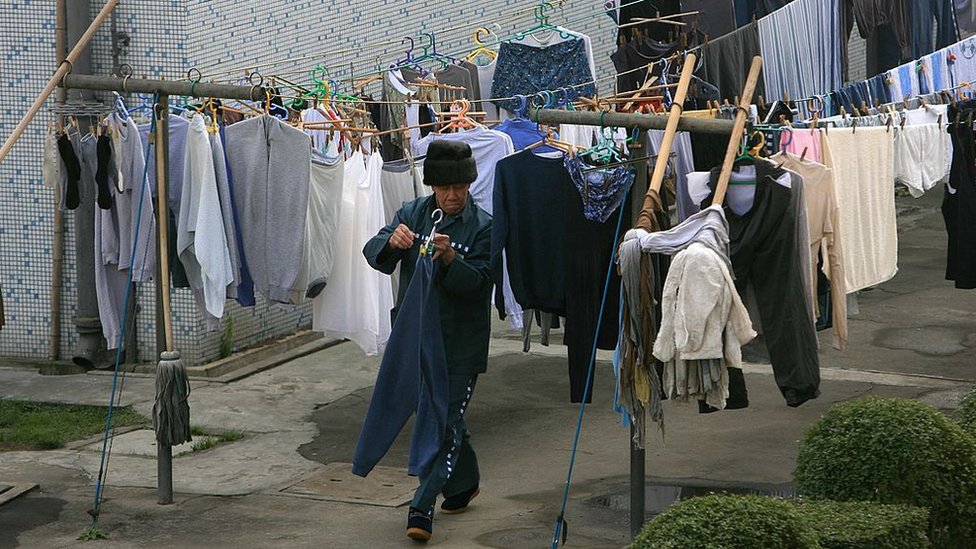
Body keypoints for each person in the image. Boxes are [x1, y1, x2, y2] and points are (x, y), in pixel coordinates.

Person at [362, 140, 492, 542]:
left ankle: (421, 506)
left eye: (460, 187)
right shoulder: (413, 214)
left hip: (460, 345)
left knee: (443, 421)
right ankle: (464, 480)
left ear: (470, 184)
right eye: (444, 188)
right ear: (431, 186)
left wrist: (453, 260)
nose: (452, 196)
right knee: (443, 419)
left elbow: (482, 284)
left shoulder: (484, 226)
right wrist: (391, 242)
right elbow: (373, 253)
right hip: (416, 340)